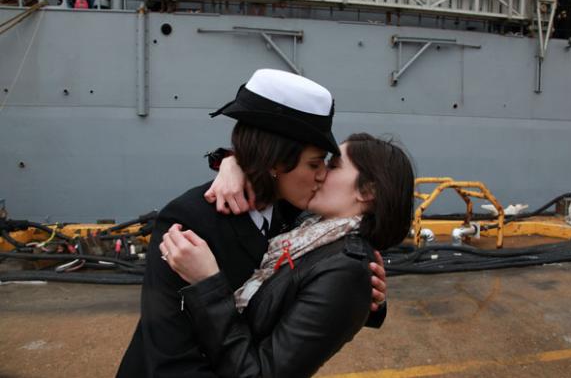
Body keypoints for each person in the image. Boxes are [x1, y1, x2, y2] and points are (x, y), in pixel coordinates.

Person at [117, 69, 388, 377]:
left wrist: (362, 295)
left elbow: (303, 288)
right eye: (314, 164)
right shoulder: (188, 222)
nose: (322, 175)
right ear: (275, 161)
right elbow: (170, 358)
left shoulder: (296, 215)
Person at [159, 132, 414, 378]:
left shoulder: (346, 270)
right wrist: (233, 163)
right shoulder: (310, 232)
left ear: (367, 191)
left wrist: (208, 284)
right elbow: (275, 172)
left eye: (333, 166)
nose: (321, 173)